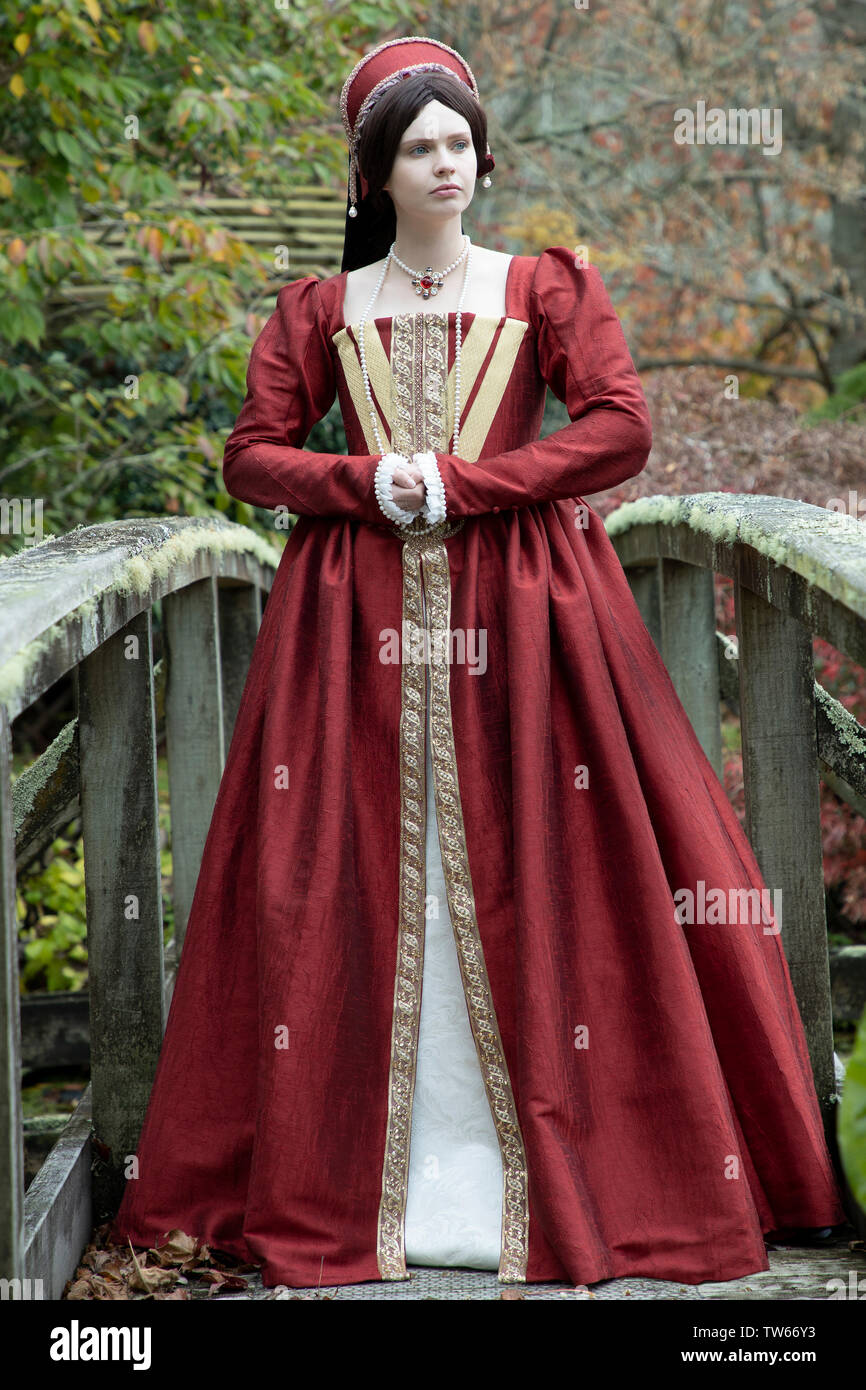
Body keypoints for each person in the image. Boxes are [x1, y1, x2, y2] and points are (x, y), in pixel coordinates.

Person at [110, 35, 847, 1290]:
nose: (446, 163)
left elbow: (619, 428)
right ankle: (363, 1182)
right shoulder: (319, 309)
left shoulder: (543, 287)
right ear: (374, 174)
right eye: (418, 147)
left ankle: (584, 1174)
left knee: (563, 863)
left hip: (531, 616)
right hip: (348, 628)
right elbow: (250, 457)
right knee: (336, 873)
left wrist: (470, 483)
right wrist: (361, 482)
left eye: (459, 141)